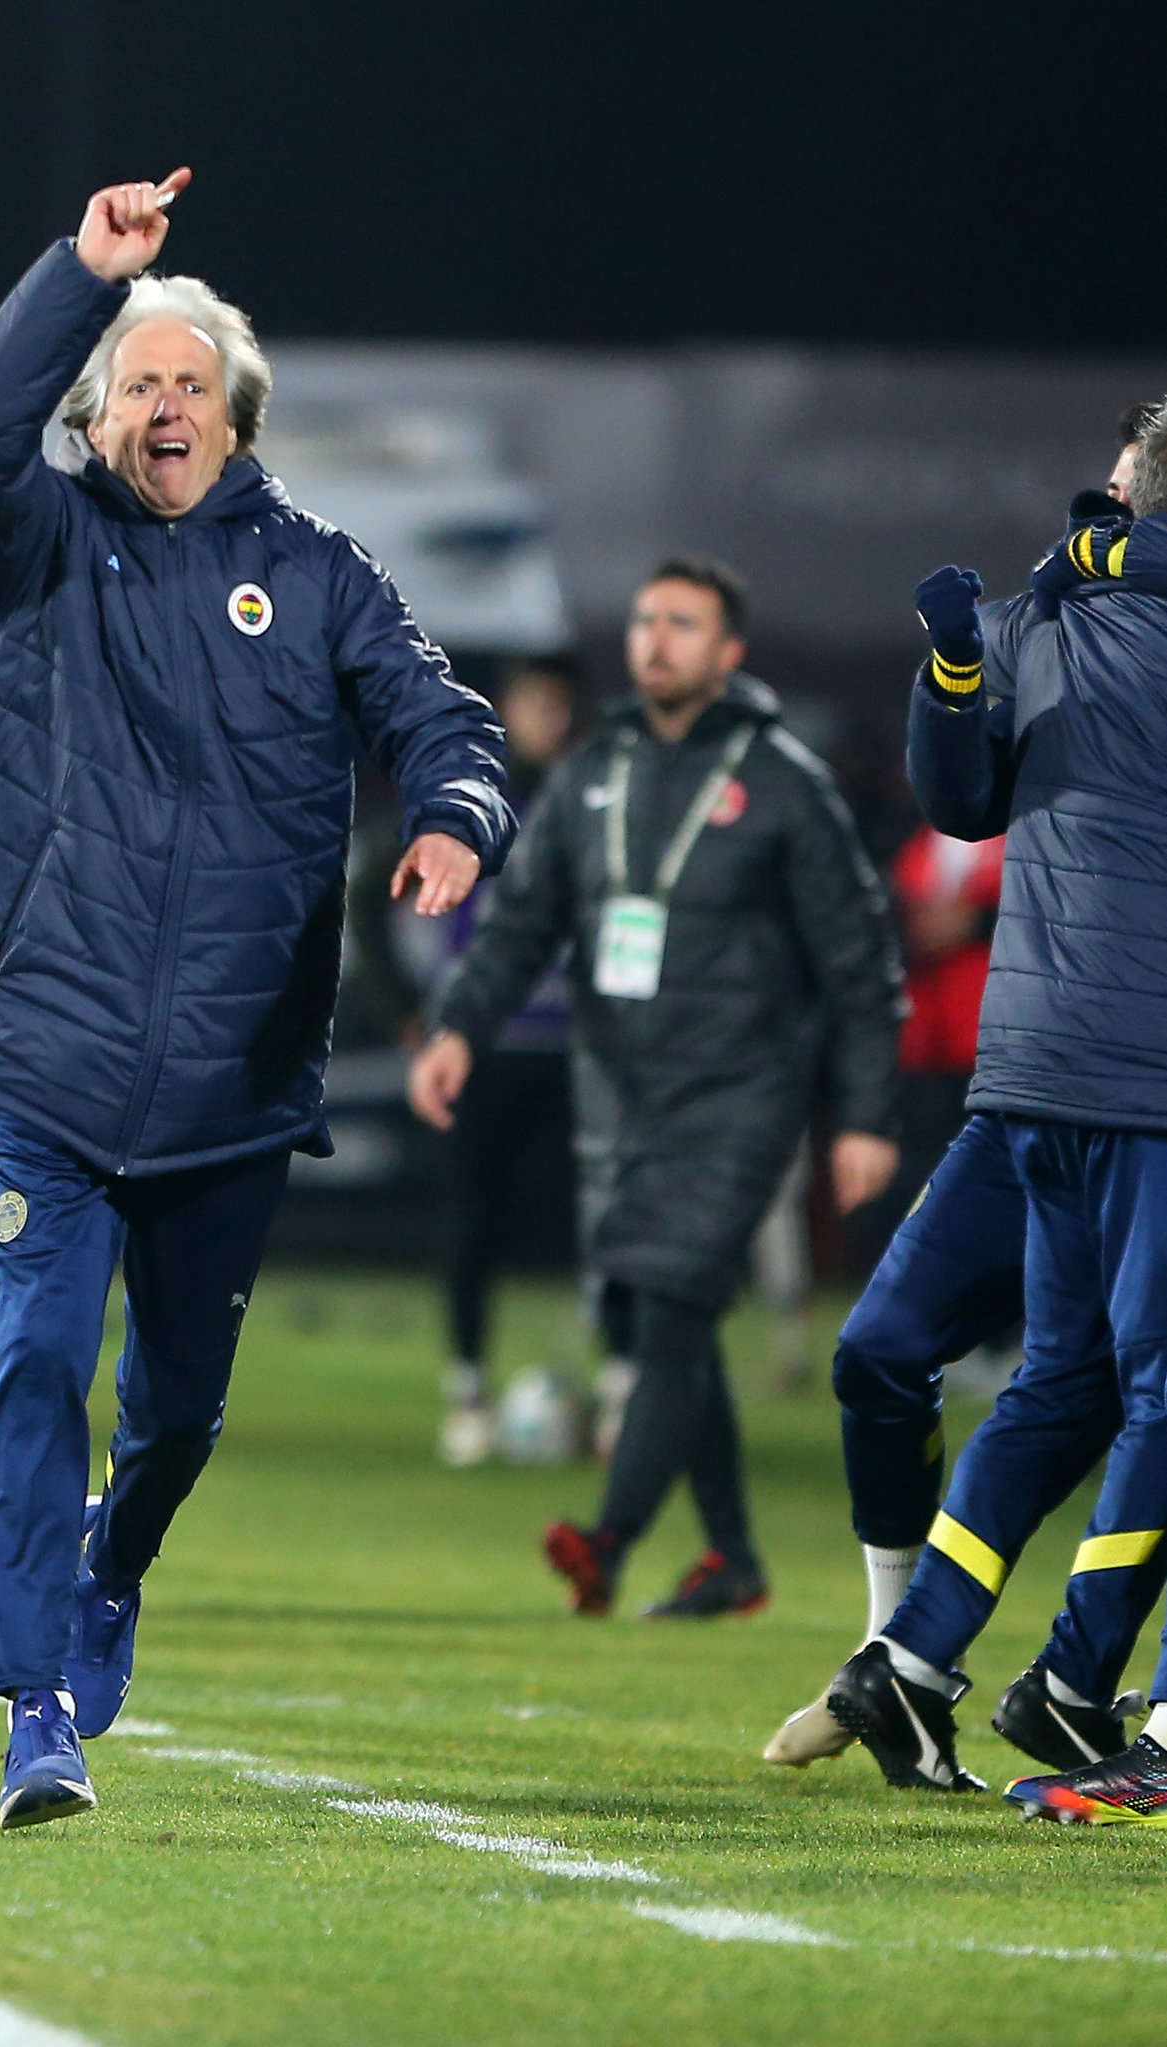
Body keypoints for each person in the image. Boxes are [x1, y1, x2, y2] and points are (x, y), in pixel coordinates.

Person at [0, 169, 512, 1830]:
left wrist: (456, 820)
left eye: (181, 381)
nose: (154, 405)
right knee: (36, 1364)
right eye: (128, 382)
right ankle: (35, 1705)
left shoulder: (318, 577)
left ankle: (113, 1561)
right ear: (95, 414)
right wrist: (79, 278)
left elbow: (445, 724)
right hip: (43, 1043)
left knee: (172, 1414)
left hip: (234, 1074)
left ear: (231, 415)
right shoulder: (36, 546)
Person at [767, 413, 1156, 1777]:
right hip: (1132, 1081)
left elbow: (961, 799)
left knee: (1061, 1379)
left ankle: (914, 1658)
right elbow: (964, 801)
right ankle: (1091, 1682)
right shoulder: (1068, 612)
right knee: (1144, 1393)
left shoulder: (1047, 608)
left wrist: (957, 657)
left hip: (1037, 1067)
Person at [411, 556, 903, 1620]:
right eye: (643, 621)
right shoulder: (594, 771)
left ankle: (608, 1536)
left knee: (671, 1303)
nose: (655, 640)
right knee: (655, 1317)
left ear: (727, 652)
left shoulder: (780, 783)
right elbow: (522, 921)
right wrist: (458, 1027)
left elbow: (860, 963)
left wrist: (864, 1114)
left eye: (681, 624)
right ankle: (730, 1555)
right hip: (622, 1092)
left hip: (741, 1094)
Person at [429, 657, 579, 1465]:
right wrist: (414, 1012)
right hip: (483, 1048)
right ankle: (467, 1390)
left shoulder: (589, 805)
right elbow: (393, 894)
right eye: (533, 703)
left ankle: (618, 1387)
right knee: (470, 1221)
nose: (545, 719)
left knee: (596, 1221)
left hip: (571, 1045)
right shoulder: (475, 801)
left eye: (558, 705)